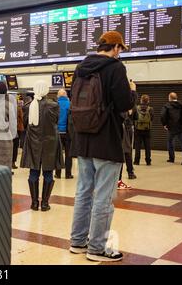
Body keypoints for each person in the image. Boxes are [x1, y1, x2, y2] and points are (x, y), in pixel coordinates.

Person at [69, 31, 137, 262]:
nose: (120, 53)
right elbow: (124, 104)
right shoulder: (115, 68)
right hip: (106, 139)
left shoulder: (81, 67)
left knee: (83, 192)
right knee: (103, 198)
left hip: (83, 139)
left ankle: (78, 242)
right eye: (120, 49)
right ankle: (97, 248)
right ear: (116, 48)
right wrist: (133, 91)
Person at [21, 81, 62, 212]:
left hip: (33, 143)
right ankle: (44, 203)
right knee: (48, 173)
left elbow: (26, 124)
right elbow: (55, 122)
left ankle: (34, 203)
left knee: (33, 172)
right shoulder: (54, 105)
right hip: (50, 143)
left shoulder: (27, 107)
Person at [161, 92, 182, 165]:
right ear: (176, 98)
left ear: (170, 98)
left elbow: (163, 115)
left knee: (170, 142)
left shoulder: (167, 105)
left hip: (171, 127)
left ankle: (171, 158)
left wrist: (164, 124)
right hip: (181, 127)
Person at [55, 89, 73, 179]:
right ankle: (68, 174)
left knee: (58, 153)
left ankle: (58, 174)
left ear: (58, 96)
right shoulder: (70, 104)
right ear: (66, 95)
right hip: (68, 132)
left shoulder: (55, 105)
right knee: (68, 154)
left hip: (57, 132)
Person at [118, 110, 136, 190]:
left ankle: (118, 179)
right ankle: (128, 174)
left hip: (121, 130)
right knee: (126, 152)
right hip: (124, 130)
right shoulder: (127, 107)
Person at [133, 94, 154, 166]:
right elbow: (152, 118)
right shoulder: (150, 109)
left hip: (138, 129)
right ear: (148, 101)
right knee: (147, 146)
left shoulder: (136, 108)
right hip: (147, 129)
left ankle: (136, 161)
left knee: (137, 146)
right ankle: (148, 161)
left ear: (141, 100)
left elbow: (134, 118)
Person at [12, 98, 24, 170]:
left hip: (9, 130)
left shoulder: (6, 108)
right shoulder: (18, 108)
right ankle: (13, 163)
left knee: (10, 146)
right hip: (17, 129)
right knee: (15, 146)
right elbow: (22, 117)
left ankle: (9, 162)